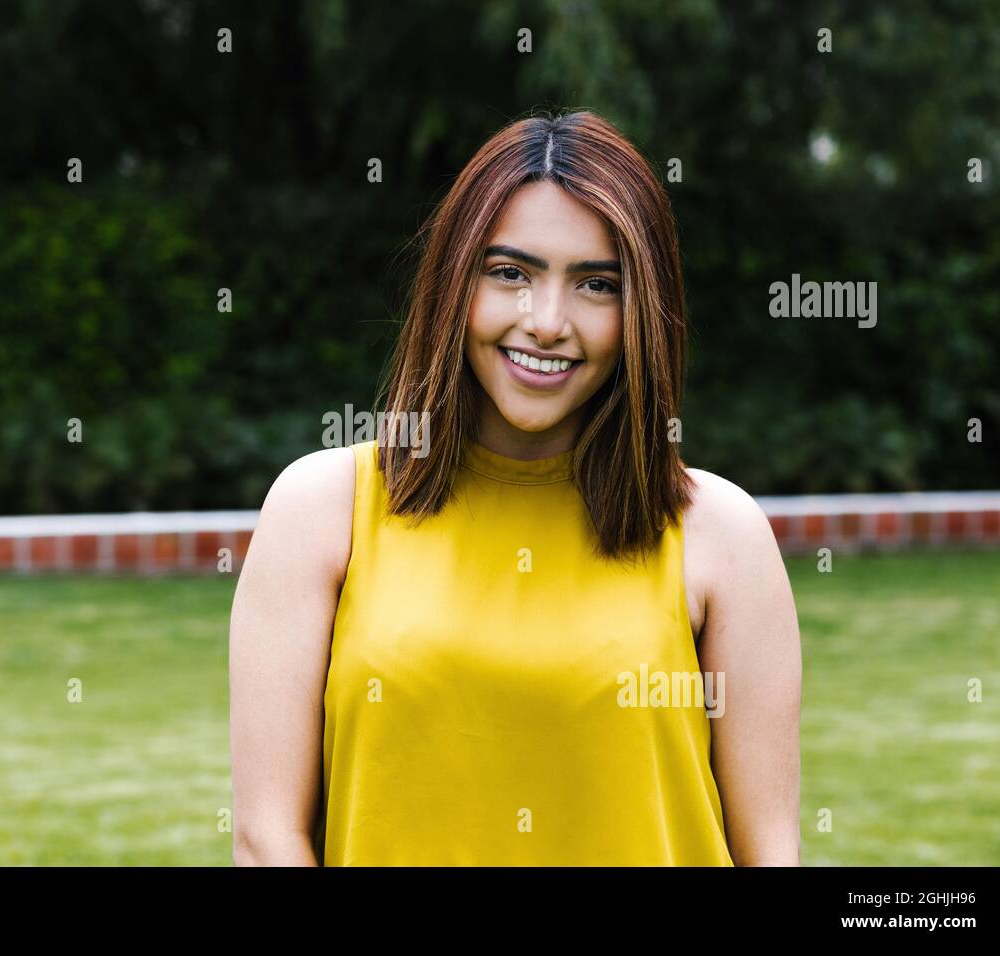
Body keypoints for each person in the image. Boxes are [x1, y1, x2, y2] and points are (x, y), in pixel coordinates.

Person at [229, 109, 801, 866]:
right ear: (452, 282)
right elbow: (268, 838)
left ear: (642, 313)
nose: (548, 322)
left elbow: (769, 853)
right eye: (510, 273)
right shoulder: (320, 511)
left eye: (597, 284)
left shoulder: (722, 534)